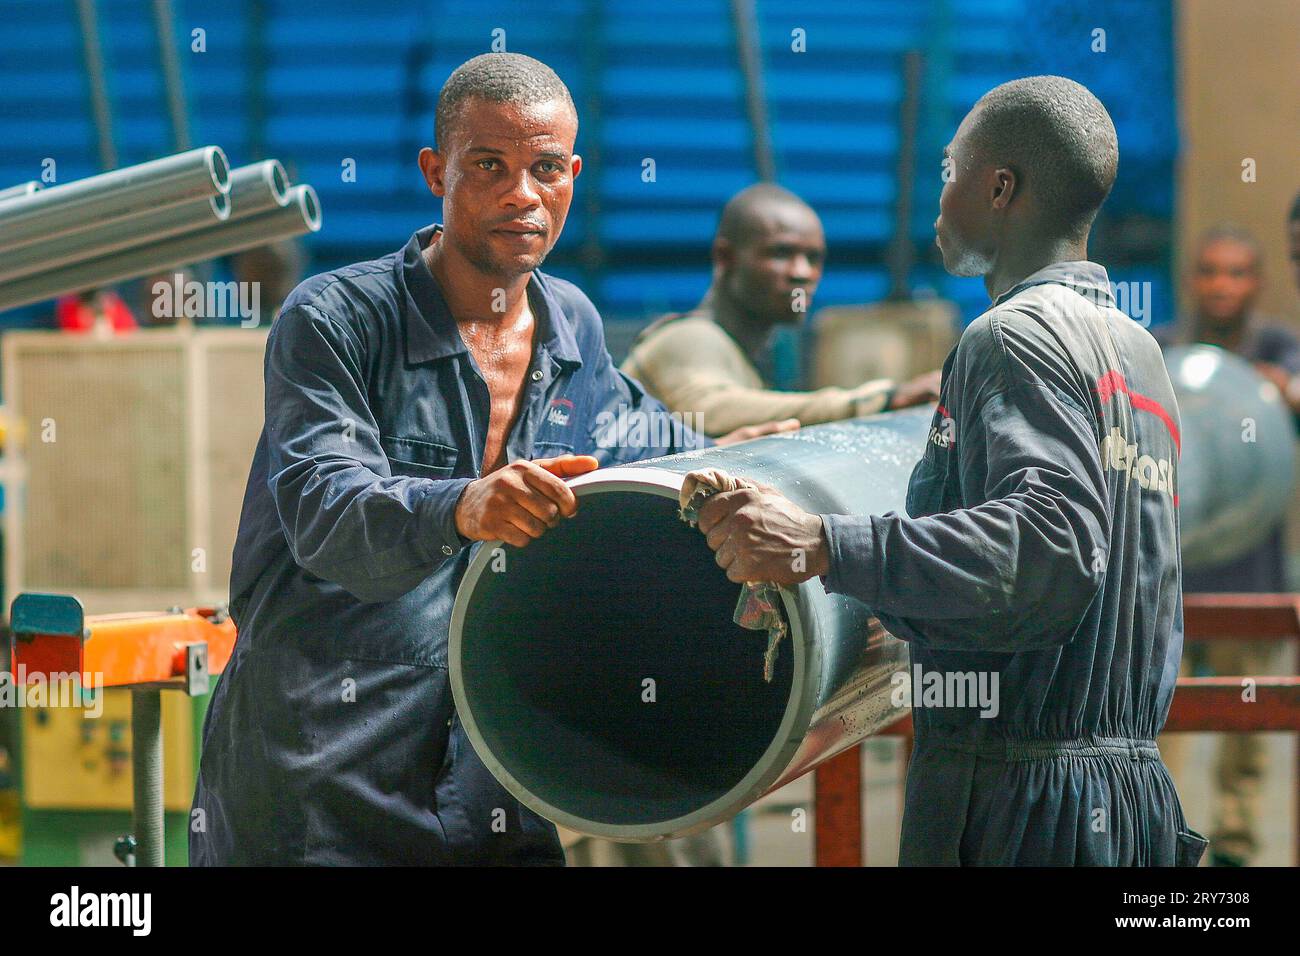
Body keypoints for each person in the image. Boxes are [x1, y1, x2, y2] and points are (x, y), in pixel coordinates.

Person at [190, 52, 786, 866]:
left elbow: (641, 435)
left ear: (573, 173)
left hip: (493, 770)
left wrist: (752, 459)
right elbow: (327, 512)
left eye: (546, 169)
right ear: (437, 170)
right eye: (489, 167)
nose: (522, 195)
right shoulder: (336, 320)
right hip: (318, 775)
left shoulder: (570, 324)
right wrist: (464, 506)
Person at [692, 75, 1207, 865]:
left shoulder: (1011, 338)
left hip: (1020, 813)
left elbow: (1049, 553)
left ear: (1000, 187)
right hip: (1124, 797)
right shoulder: (1136, 354)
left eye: (949, 174)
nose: (938, 202)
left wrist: (825, 544)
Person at [1155, 222, 1300, 866]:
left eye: (1236, 272)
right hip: (1168, 575)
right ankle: (1164, 833)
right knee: (1162, 714)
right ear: (1193, 278)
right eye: (1210, 270)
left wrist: (1279, 388)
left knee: (1249, 712)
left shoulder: (1279, 348)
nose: (1221, 284)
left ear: (1256, 282)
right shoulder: (1162, 349)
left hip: (1252, 570)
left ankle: (1236, 841)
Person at [620, 183, 940, 436]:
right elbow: (711, 410)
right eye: (781, 253)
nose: (802, 272)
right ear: (725, 257)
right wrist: (879, 400)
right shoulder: (690, 337)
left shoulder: (739, 353)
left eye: (813, 258)